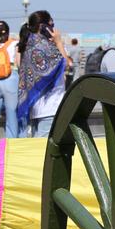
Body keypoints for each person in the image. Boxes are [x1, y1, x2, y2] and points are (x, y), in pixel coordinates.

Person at [16, 10, 69, 138]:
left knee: (38, 147)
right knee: (44, 150)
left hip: (37, 108)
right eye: (51, 25)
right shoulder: (43, 46)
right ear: (42, 26)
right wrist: (59, 42)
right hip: (50, 107)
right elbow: (65, 63)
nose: (54, 29)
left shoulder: (29, 44)